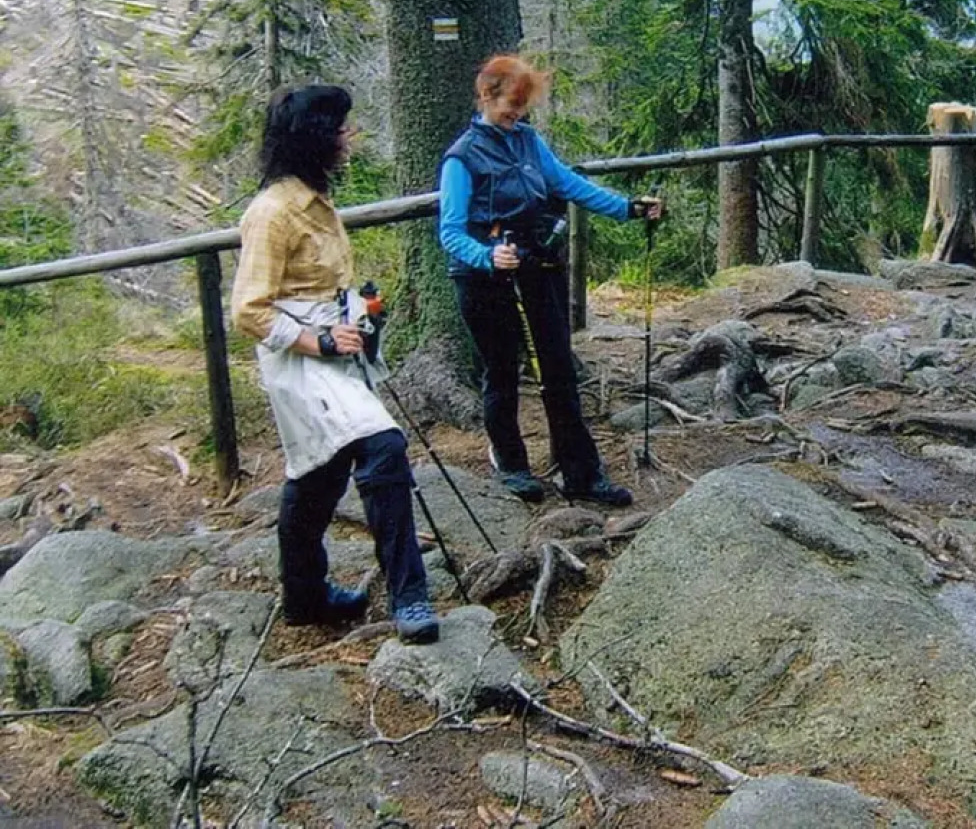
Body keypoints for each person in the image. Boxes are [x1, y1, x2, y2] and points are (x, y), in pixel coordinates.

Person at [232, 85, 439, 644]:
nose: (349, 138)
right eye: (341, 130)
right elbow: (249, 310)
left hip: (335, 348)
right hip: (299, 361)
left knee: (319, 470)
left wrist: (361, 311)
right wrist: (319, 341)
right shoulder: (273, 211)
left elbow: (323, 283)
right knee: (382, 446)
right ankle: (410, 596)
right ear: (315, 138)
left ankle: (304, 596)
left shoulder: (313, 196)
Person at [438, 55, 662, 505]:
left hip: (536, 265)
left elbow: (568, 183)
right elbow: (450, 230)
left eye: (523, 105)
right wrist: (486, 255)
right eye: (510, 104)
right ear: (487, 95)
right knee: (501, 372)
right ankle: (510, 462)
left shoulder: (527, 141)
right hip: (484, 279)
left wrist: (626, 208)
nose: (517, 113)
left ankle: (580, 472)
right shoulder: (461, 157)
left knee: (558, 367)